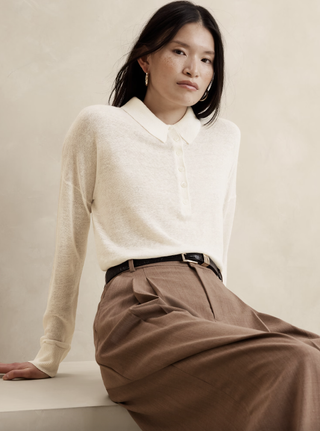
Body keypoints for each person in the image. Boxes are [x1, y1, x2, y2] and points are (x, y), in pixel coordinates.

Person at [1, 1, 320, 430]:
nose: (194, 68)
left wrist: (226, 324)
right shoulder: (99, 126)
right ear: (145, 57)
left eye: (207, 59)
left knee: (313, 357)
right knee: (296, 361)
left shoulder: (225, 138)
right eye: (179, 51)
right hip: (139, 308)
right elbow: (69, 240)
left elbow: (219, 240)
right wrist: (50, 351)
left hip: (214, 304)